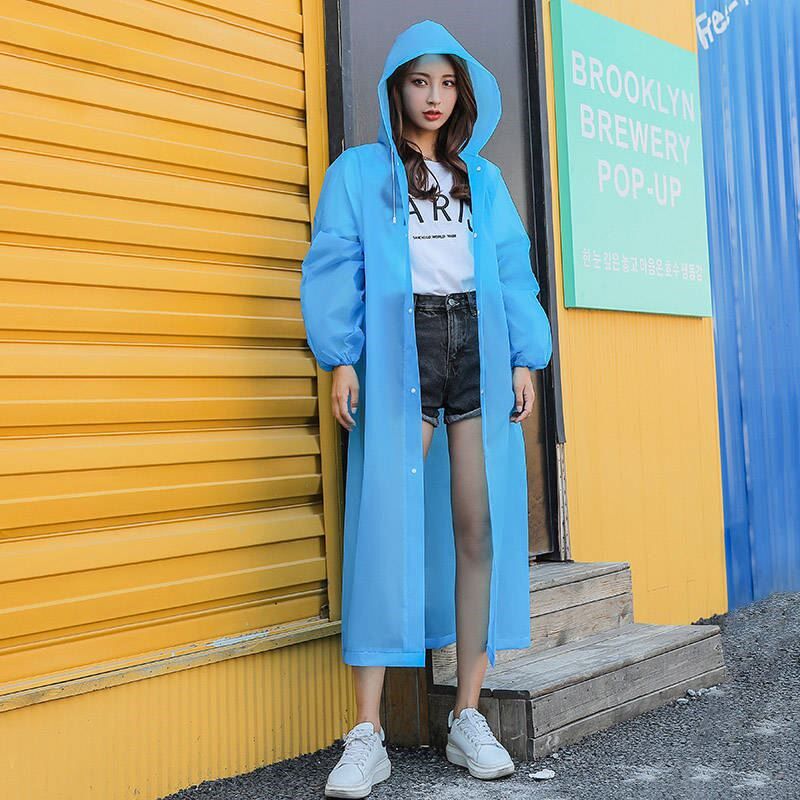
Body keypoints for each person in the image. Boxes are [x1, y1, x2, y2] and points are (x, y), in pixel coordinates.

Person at [300, 19, 553, 799]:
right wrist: (342, 356)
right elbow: (335, 261)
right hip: (402, 348)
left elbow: (512, 268)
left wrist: (525, 356)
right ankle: (367, 732)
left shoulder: (483, 179)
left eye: (446, 82)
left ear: (462, 92)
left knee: (477, 526)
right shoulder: (359, 173)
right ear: (396, 90)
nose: (433, 96)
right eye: (419, 82)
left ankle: (466, 714)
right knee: (387, 524)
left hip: (476, 340)